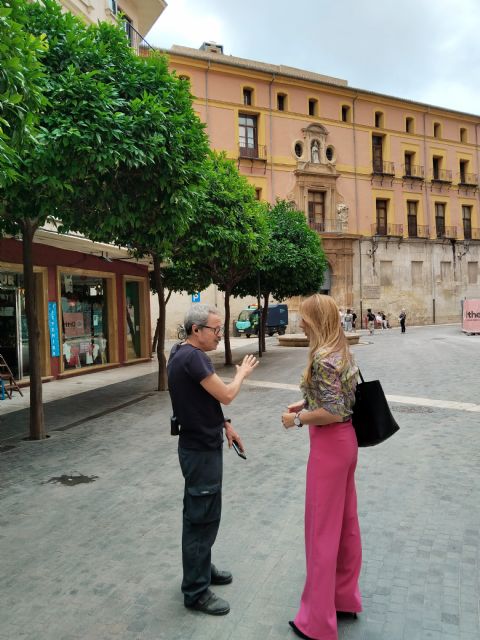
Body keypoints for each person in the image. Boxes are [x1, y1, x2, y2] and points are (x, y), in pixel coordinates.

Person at [167, 304, 259, 616]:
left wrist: (225, 423)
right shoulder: (193, 357)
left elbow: (201, 398)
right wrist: (242, 375)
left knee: (202, 514)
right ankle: (195, 591)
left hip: (199, 446)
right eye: (215, 329)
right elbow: (226, 393)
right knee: (200, 519)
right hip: (200, 451)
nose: (220, 335)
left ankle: (201, 570)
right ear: (196, 330)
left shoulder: (180, 351)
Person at [281, 294, 362, 640]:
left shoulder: (323, 359)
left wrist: (297, 419)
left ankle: (317, 622)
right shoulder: (340, 350)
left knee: (321, 531)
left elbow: (333, 411)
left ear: (315, 320)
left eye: (304, 317)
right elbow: (344, 400)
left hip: (329, 446)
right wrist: (307, 400)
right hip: (345, 444)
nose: (299, 322)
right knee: (345, 524)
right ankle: (344, 598)